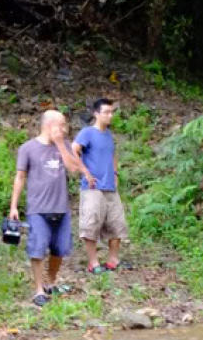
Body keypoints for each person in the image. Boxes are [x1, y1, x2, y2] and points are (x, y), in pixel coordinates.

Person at [9, 110, 95, 307]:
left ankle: (50, 282)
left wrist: (59, 145)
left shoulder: (64, 144)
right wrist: (14, 206)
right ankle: (38, 289)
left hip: (61, 208)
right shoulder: (28, 148)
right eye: (61, 125)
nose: (65, 129)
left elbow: (74, 169)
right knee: (37, 248)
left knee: (60, 248)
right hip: (38, 208)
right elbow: (20, 177)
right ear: (49, 126)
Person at [72, 97, 129, 273]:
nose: (110, 116)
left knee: (117, 224)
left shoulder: (109, 135)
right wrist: (85, 172)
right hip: (92, 188)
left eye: (112, 112)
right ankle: (93, 262)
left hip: (110, 187)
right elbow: (74, 150)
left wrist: (115, 173)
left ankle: (113, 260)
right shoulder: (87, 132)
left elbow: (112, 155)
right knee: (91, 226)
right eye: (106, 112)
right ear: (96, 114)